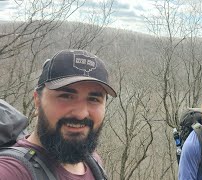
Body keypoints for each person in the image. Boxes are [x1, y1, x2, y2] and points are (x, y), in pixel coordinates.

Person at [0, 49, 117, 179]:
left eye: (93, 99)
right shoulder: (11, 171)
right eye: (66, 96)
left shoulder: (92, 161)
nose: (81, 114)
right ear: (37, 100)